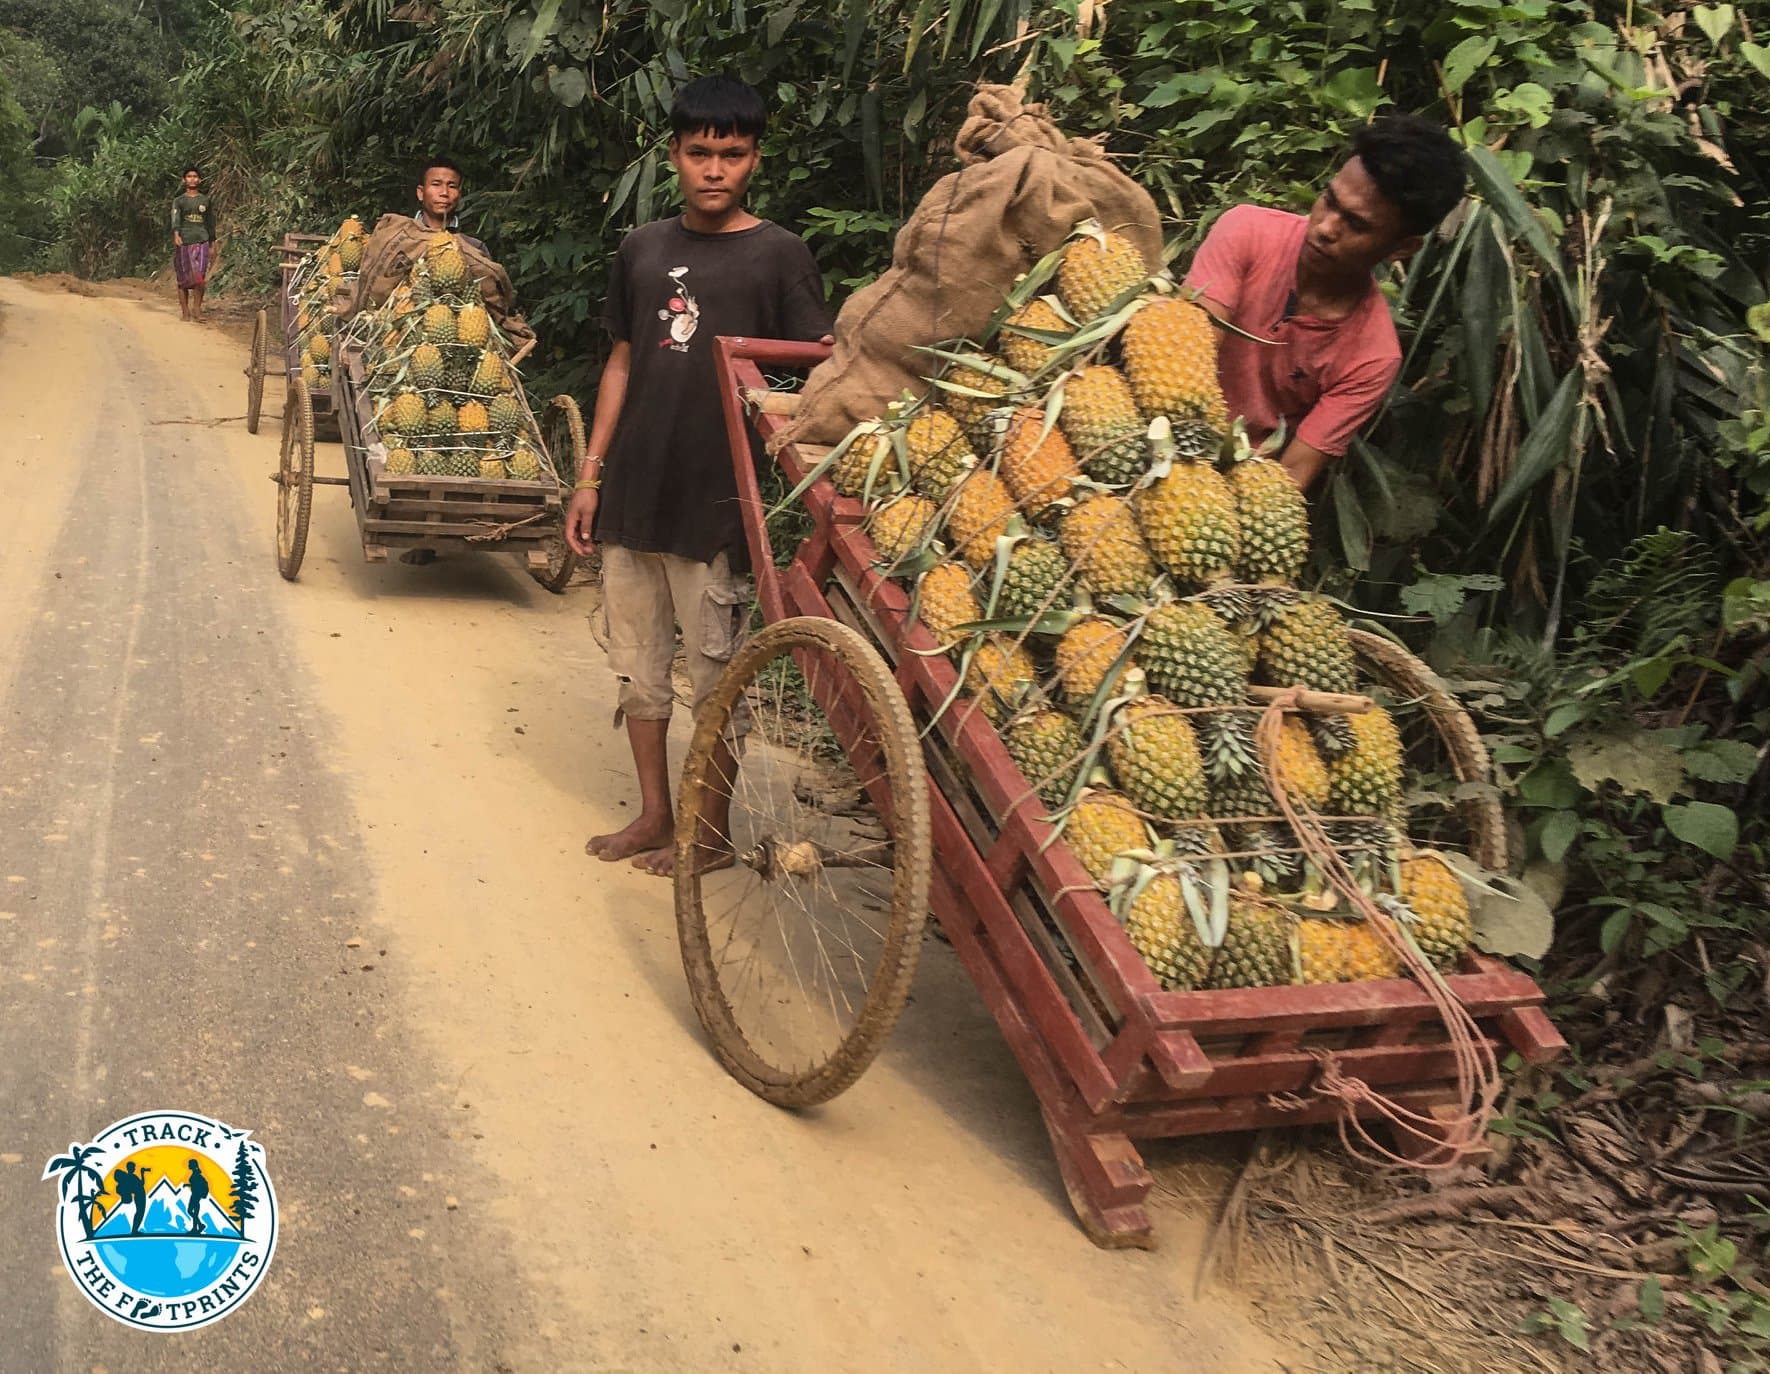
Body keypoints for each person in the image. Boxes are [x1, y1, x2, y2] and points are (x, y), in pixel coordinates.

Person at [565, 74, 833, 877]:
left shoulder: (780, 256)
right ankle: (656, 815)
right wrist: (590, 476)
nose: (715, 169)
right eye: (699, 152)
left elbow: (815, 372)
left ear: (756, 159)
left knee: (718, 678)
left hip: (716, 504)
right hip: (632, 493)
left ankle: (708, 833)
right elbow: (621, 361)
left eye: (733, 154)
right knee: (639, 670)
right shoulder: (642, 249)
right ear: (674, 155)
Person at [1183, 115, 1467, 491]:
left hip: (1235, 485)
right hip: (1168, 428)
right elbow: (1187, 366)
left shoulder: (1372, 357)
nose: (1325, 228)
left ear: (1403, 247)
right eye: (1329, 201)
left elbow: (1292, 475)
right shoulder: (1246, 231)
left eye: (1356, 224)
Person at [411, 156, 487, 256]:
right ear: (421, 193)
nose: (444, 192)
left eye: (452, 186)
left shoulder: (474, 247)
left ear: (459, 195)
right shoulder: (400, 236)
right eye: (436, 184)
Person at [171, 166, 218, 322]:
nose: (192, 179)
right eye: (189, 176)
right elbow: (176, 219)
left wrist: (212, 243)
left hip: (202, 240)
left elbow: (210, 223)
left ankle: (197, 309)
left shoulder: (205, 201)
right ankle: (185, 312)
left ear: (199, 180)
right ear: (184, 180)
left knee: (200, 278)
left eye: (195, 176)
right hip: (184, 241)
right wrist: (176, 234)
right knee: (183, 278)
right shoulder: (179, 201)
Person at [185, 1158, 210, 1234]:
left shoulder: (196, 1174)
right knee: (193, 1212)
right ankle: (198, 1226)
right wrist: (188, 1185)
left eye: (189, 1164)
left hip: (196, 1195)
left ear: (193, 1165)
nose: (188, 1165)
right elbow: (195, 1184)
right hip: (195, 1194)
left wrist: (190, 1185)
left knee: (191, 1211)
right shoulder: (195, 1173)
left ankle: (196, 1228)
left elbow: (197, 1185)